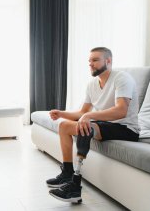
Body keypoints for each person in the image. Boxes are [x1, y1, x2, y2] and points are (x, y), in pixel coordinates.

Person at [47, 47, 140, 203]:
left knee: (86, 126)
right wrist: (62, 113)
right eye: (89, 61)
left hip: (126, 128)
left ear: (108, 61)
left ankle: (75, 187)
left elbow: (121, 110)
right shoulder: (92, 84)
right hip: (104, 124)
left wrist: (88, 116)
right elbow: (82, 111)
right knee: (64, 126)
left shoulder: (122, 78)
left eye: (95, 60)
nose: (91, 64)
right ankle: (67, 172)